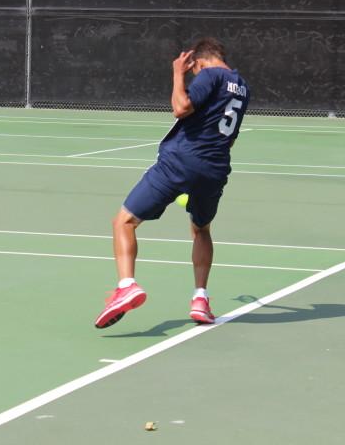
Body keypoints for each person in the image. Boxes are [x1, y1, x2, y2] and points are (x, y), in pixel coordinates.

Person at [94, 37, 250, 329]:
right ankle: (200, 298)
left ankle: (126, 285)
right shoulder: (242, 86)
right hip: (215, 169)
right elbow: (231, 137)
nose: (195, 75)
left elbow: (181, 107)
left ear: (200, 61)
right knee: (201, 228)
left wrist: (178, 73)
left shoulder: (210, 74)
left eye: (195, 70)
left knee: (123, 222)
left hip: (180, 162)